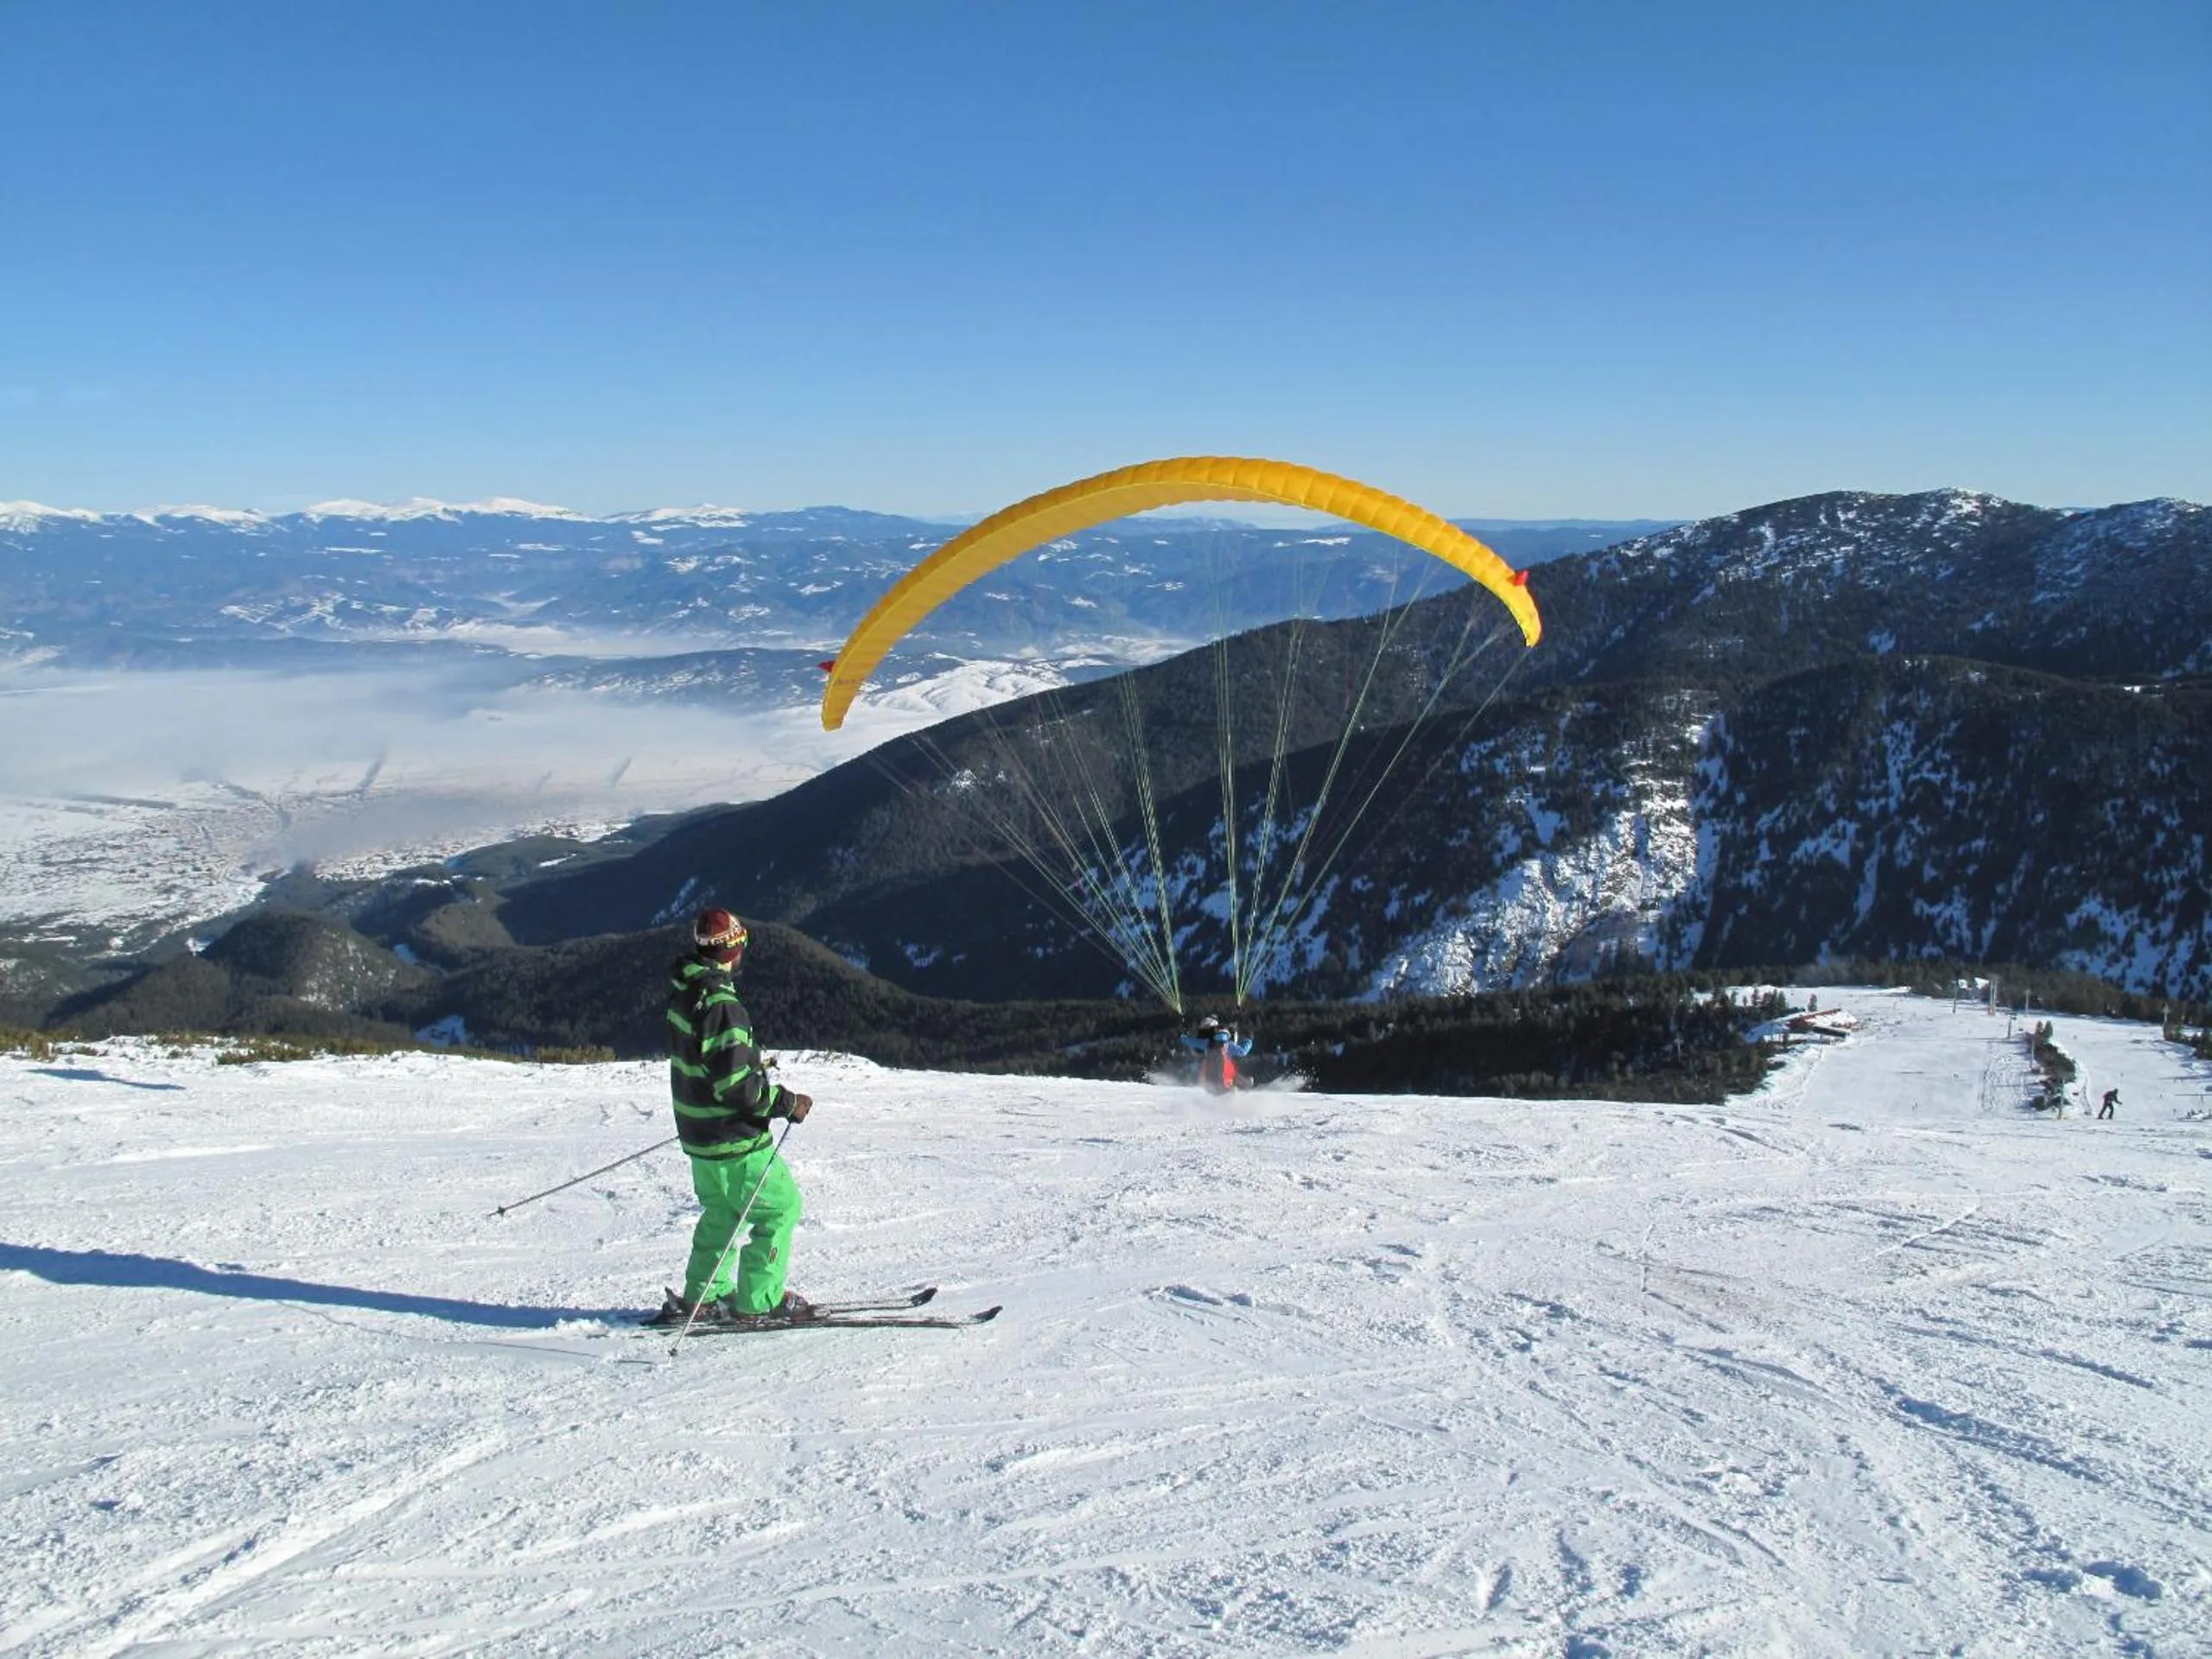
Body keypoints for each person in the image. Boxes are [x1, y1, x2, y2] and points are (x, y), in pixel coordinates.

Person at [652, 907, 816, 1326]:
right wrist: (785, 1102)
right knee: (780, 1208)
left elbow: (704, 1067)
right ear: (735, 948)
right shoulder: (723, 1006)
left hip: (700, 1136)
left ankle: (703, 1296)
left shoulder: (685, 994)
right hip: (735, 1141)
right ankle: (759, 1302)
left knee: (723, 1213)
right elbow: (739, 1088)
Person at [1179, 1015, 1253, 1095]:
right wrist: (1248, 1040)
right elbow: (1243, 1052)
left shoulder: (1207, 1043)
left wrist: (1184, 1034)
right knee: (1231, 1071)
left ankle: (1242, 1083)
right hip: (1225, 1080)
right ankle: (1244, 1084)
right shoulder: (1228, 1045)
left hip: (1209, 1081)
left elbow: (1188, 1040)